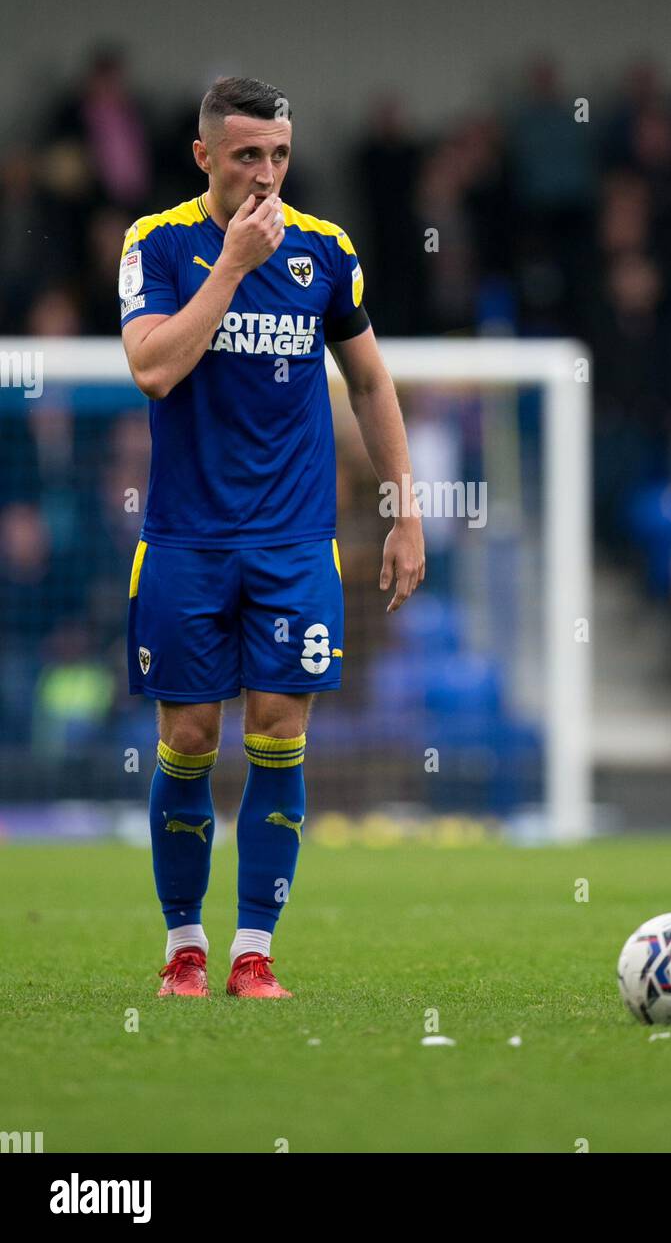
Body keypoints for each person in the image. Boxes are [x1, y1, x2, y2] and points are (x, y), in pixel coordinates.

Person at [119, 76, 425, 998]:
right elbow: (153, 369)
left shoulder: (326, 252)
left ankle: (253, 952)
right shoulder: (157, 242)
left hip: (295, 542)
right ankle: (185, 950)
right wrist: (232, 268)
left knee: (279, 732)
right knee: (190, 737)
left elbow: (369, 383)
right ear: (204, 154)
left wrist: (406, 510)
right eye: (247, 154)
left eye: (280, 154)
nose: (266, 174)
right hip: (184, 540)